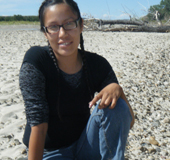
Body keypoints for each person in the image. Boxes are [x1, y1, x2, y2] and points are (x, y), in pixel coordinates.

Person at [19, 0, 135, 159]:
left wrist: (117, 89)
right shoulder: (37, 61)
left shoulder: (97, 64)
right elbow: (38, 125)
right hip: (49, 152)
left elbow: (128, 121)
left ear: (81, 25)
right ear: (45, 32)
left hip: (85, 145)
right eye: (53, 27)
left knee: (117, 105)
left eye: (69, 24)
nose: (62, 33)